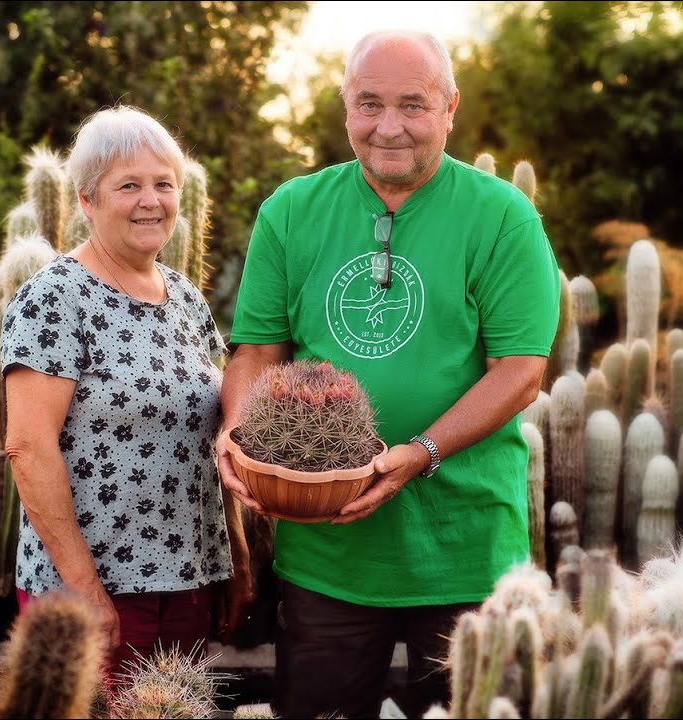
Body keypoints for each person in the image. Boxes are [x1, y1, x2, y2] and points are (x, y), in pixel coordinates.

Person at [218, 30, 561, 719]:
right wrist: (239, 436)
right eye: (368, 104)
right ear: (345, 106)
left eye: (413, 104)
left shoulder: (501, 217)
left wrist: (419, 453)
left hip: (463, 550)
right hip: (327, 554)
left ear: (450, 108)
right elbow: (256, 353)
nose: (389, 127)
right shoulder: (291, 212)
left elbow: (520, 371)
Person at [0, 105, 252, 683]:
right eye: (129, 185)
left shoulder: (185, 297)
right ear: (86, 200)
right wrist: (85, 589)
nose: (151, 200)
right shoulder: (54, 299)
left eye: (164, 184)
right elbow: (29, 448)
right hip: (95, 590)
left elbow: (214, 434)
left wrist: (234, 556)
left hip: (189, 581)